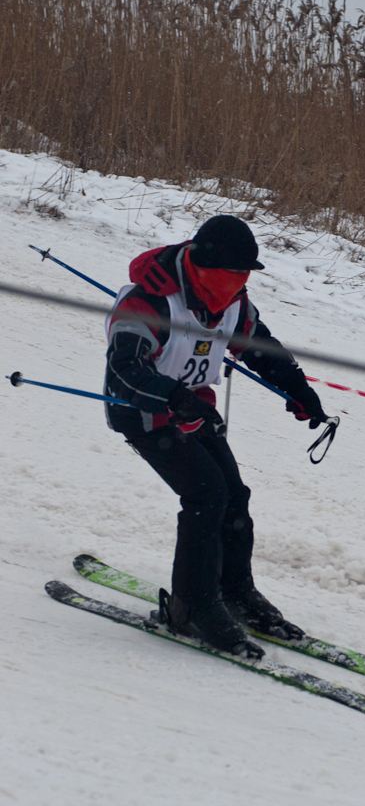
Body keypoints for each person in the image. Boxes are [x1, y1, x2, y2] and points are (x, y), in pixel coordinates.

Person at [104, 215, 329, 659]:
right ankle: (192, 607)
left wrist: (298, 389)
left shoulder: (235, 303)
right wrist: (171, 396)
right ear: (199, 266)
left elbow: (257, 345)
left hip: (196, 411)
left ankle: (235, 592)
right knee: (206, 494)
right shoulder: (148, 302)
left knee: (234, 495)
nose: (237, 285)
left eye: (244, 276)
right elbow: (124, 370)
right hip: (145, 414)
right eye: (230, 276)